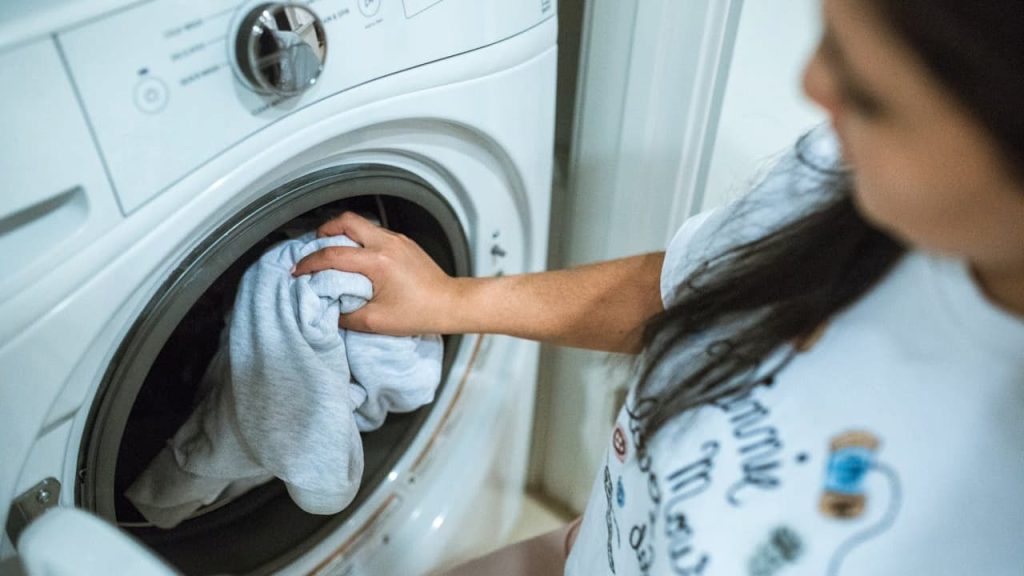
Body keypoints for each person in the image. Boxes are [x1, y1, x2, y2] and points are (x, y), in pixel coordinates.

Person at [293, 0, 1024, 573]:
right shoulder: (834, 182)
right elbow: (685, 288)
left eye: (869, 94)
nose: (812, 87)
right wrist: (453, 300)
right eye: (831, 35)